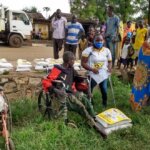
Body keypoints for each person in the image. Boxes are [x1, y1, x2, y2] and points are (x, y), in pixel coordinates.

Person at [42, 51, 105, 134]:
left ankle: (93, 116)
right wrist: (54, 89)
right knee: (81, 107)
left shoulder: (71, 69)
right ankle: (94, 126)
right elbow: (47, 81)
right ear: (69, 61)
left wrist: (83, 81)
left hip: (70, 92)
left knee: (84, 99)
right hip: (61, 94)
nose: (74, 62)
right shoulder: (57, 70)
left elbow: (76, 77)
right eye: (73, 60)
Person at [81, 35, 112, 108]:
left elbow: (110, 61)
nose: (99, 42)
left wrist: (110, 67)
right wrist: (92, 69)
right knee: (89, 89)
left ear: (103, 41)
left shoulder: (107, 50)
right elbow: (83, 63)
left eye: (101, 41)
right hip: (92, 73)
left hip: (103, 73)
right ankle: (89, 103)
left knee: (104, 89)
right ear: (94, 41)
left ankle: (104, 104)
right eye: (97, 41)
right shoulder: (88, 51)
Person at [129, 39, 150, 111]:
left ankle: (136, 105)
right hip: (144, 75)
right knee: (143, 89)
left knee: (138, 88)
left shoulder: (144, 45)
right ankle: (140, 106)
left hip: (140, 75)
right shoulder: (146, 46)